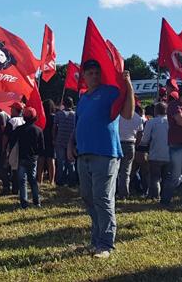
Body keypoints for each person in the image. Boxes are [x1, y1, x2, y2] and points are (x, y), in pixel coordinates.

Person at [67, 60, 135, 259]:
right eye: (90, 73)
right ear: (84, 76)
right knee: (88, 196)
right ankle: (96, 239)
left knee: (103, 198)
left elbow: (128, 114)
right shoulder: (83, 98)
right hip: (84, 154)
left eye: (97, 72)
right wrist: (71, 145)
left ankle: (106, 244)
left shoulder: (110, 92)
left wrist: (129, 85)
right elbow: (78, 124)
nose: (95, 76)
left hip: (106, 153)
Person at [14, 107, 44, 209]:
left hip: (21, 158)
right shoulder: (38, 130)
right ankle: (37, 201)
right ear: (35, 117)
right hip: (33, 159)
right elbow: (41, 147)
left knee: (22, 181)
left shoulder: (19, 129)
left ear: (24, 117)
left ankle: (24, 203)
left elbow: (13, 142)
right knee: (33, 181)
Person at [139, 102, 170, 200]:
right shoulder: (171, 121)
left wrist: (142, 146)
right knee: (166, 178)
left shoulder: (151, 122)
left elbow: (145, 138)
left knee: (155, 177)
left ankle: (155, 196)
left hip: (155, 153)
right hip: (169, 153)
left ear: (156, 111)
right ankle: (165, 197)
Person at [116, 103, 144, 199]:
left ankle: (114, 190)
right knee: (126, 171)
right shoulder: (138, 118)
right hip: (130, 143)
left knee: (114, 169)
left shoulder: (118, 115)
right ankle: (123, 194)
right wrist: (135, 146)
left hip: (117, 143)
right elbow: (140, 135)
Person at [1, 102, 25, 195]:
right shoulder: (24, 120)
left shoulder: (12, 121)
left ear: (16, 110)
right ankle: (16, 188)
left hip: (11, 147)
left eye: (12, 109)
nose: (10, 110)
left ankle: (6, 187)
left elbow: (6, 136)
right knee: (17, 169)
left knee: (3, 167)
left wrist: (3, 148)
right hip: (22, 148)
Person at [53, 97, 77, 187]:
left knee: (60, 162)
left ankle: (60, 181)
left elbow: (54, 127)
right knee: (71, 162)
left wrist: (54, 138)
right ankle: (72, 181)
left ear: (64, 104)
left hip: (60, 140)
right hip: (71, 141)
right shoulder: (75, 115)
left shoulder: (59, 114)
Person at [37, 100, 56, 185]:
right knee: (51, 160)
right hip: (51, 139)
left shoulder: (41, 116)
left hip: (41, 138)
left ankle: (39, 180)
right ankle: (51, 181)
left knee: (41, 159)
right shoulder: (53, 117)